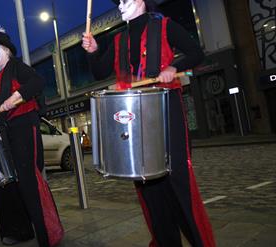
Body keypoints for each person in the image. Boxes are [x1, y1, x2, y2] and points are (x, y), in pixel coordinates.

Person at [82, 1, 215, 246]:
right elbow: (100, 72)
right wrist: (93, 51)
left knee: (177, 179)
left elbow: (196, 53)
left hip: (166, 107)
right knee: (146, 182)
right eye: (119, 2)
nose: (120, 5)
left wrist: (173, 66)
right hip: (135, 113)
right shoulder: (119, 38)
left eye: (125, 0)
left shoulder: (165, 26)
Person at [0, 27, 63, 247]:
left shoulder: (16, 66)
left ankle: (47, 235)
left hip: (23, 127)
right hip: (2, 133)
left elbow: (37, 82)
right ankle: (19, 231)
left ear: (7, 50)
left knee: (29, 182)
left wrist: (17, 95)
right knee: (9, 185)